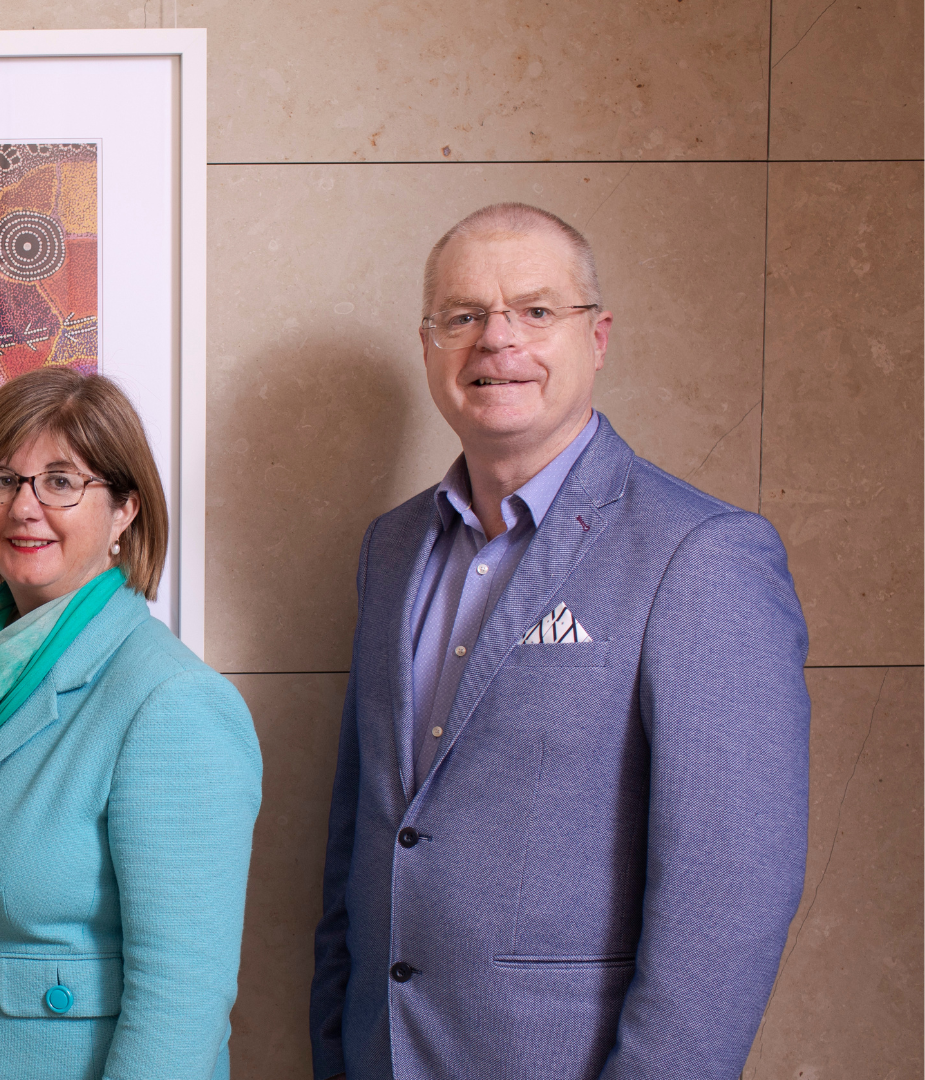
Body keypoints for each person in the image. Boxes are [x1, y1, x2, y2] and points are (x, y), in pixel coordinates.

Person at [310, 204, 810, 1079]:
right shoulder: (390, 549)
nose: (496, 340)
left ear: (599, 337)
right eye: (462, 316)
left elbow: (731, 897)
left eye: (536, 311)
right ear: (429, 344)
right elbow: (367, 830)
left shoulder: (701, 555)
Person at [0, 367, 262, 1080]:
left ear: (125, 510)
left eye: (61, 482)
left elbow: (183, 1001)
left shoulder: (171, 702)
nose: (24, 507)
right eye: (4, 480)